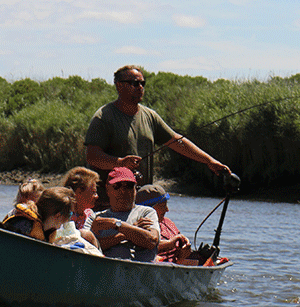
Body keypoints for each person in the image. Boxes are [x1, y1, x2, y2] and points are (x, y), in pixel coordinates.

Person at [84, 66, 232, 201]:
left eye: (142, 83)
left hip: (140, 200)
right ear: (119, 85)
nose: (140, 87)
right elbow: (92, 156)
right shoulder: (103, 117)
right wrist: (121, 163)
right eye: (134, 83)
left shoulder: (150, 116)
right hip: (109, 202)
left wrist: (209, 161)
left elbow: (177, 141)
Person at [89, 167, 160, 262]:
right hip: (107, 267)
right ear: (107, 189)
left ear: (135, 189)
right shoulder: (95, 217)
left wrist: (116, 224)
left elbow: (152, 241)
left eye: (129, 186)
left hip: (140, 268)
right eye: (117, 186)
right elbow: (89, 247)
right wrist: (125, 234)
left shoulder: (147, 212)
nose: (123, 191)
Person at [135, 184, 200, 265]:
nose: (167, 209)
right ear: (149, 209)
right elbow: (146, 245)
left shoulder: (168, 223)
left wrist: (184, 247)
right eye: (163, 206)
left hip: (176, 267)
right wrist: (169, 244)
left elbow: (181, 257)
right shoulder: (140, 226)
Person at [3, 186, 75, 242]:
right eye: (69, 214)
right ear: (58, 215)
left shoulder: (48, 233)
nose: (68, 219)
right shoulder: (25, 224)